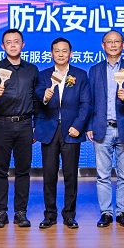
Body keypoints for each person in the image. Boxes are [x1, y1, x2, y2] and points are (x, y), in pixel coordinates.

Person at [0, 28, 38, 228]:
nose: (13, 45)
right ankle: (1, 212)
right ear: (2, 46)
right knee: (0, 170)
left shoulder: (32, 70)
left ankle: (21, 212)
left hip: (25, 124)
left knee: (23, 171)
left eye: (16, 41)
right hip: (2, 124)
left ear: (23, 45)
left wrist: (36, 125)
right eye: (9, 42)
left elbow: (36, 99)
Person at [34, 37, 91, 229]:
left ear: (70, 53)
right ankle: (50, 214)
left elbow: (86, 104)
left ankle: (69, 215)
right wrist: (44, 97)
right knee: (49, 175)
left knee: (70, 175)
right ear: (51, 54)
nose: (60, 54)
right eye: (57, 51)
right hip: (49, 130)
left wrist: (78, 125)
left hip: (71, 131)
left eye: (64, 51)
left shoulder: (80, 75)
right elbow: (37, 100)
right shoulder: (43, 75)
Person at [87, 30, 124, 228]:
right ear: (103, 46)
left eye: (116, 41)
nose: (112, 45)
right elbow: (89, 100)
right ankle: (106, 212)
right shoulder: (95, 70)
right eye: (108, 42)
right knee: (102, 175)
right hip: (102, 128)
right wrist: (90, 125)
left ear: (123, 44)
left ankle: (122, 212)